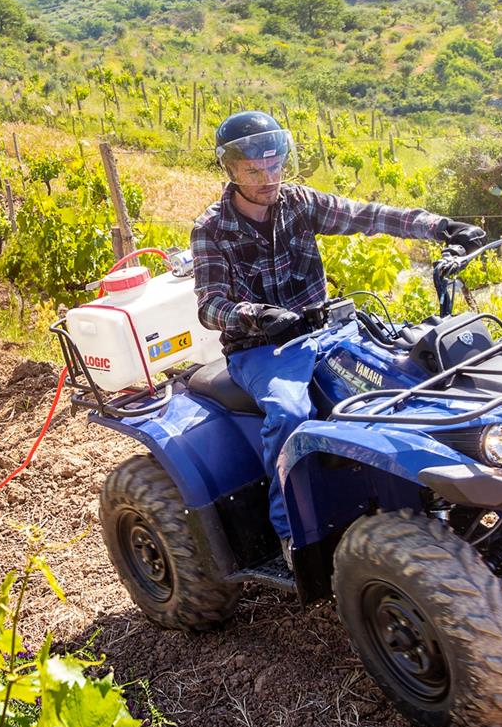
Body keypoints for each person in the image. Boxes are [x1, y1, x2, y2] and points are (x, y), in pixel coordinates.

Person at [191, 111, 486, 565]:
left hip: (330, 329)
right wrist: (256, 317)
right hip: (263, 349)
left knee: (406, 377)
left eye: (275, 166)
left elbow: (368, 216)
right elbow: (209, 305)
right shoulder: (211, 228)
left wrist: (441, 227)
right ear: (230, 170)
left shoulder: (299, 203)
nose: (269, 178)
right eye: (254, 170)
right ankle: (293, 534)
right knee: (291, 413)